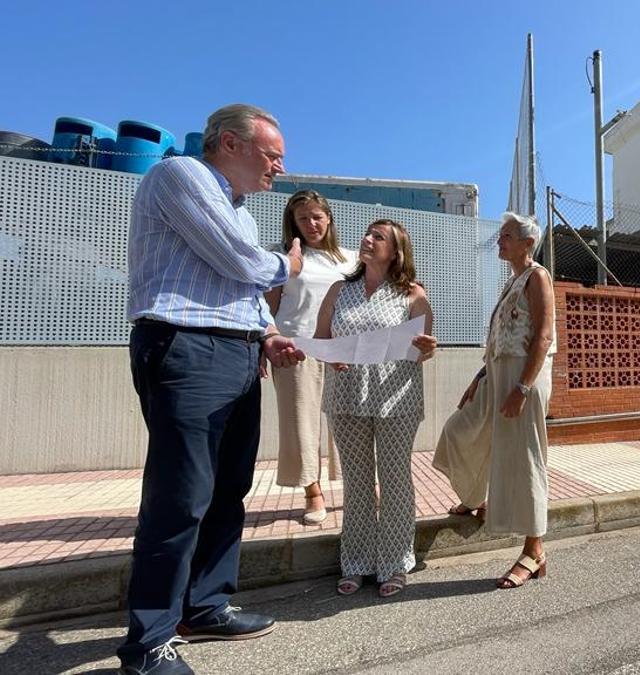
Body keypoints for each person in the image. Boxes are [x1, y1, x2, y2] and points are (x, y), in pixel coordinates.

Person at [120, 104, 306, 675]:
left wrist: (269, 334)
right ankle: (148, 642)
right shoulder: (180, 175)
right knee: (181, 496)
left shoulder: (243, 210)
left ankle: (206, 606)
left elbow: (243, 291)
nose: (279, 166)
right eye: (272, 154)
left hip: (238, 352)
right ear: (229, 143)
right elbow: (241, 261)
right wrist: (289, 262)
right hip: (186, 344)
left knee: (229, 488)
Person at [313, 219, 437, 598]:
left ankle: (396, 564)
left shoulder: (413, 294)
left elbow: (423, 349)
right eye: (367, 234)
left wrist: (427, 349)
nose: (367, 240)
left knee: (396, 480)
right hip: (346, 397)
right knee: (358, 482)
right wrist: (328, 355)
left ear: (396, 251)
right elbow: (320, 340)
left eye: (377, 237)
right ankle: (356, 562)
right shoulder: (339, 290)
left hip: (396, 398)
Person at [433, 212, 556, 589]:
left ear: (526, 242)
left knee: (524, 457)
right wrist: (480, 377)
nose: (499, 242)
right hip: (497, 372)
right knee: (460, 429)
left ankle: (534, 550)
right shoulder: (513, 280)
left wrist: (521, 388)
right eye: (500, 236)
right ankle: (475, 497)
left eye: (506, 236)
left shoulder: (537, 276)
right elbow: (499, 339)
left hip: (524, 376)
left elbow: (544, 337)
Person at [264, 190, 356, 524]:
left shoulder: (350, 259)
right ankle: (312, 492)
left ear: (329, 218)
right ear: (293, 223)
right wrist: (265, 343)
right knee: (300, 423)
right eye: (303, 218)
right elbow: (267, 307)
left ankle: (358, 486)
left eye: (317, 216)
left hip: (341, 349)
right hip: (295, 347)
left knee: (350, 420)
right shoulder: (283, 257)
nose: (311, 224)